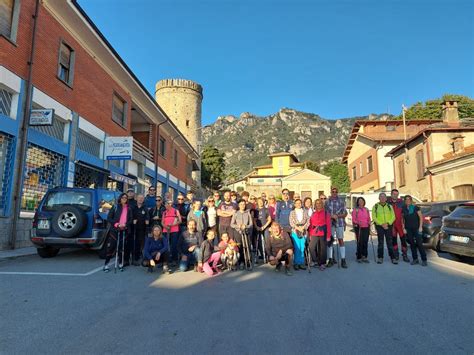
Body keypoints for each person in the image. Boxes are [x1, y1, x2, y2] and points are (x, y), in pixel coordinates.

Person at [103, 193, 133, 272]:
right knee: (112, 247)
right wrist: (117, 224)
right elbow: (109, 218)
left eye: (126, 198)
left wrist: (125, 225)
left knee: (121, 248)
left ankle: (120, 263)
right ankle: (106, 264)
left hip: (124, 230)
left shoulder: (129, 208)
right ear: (120, 198)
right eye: (123, 197)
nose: (124, 199)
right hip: (115, 230)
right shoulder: (115, 206)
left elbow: (130, 219)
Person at [325, 187, 348, 268]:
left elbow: (345, 213)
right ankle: (330, 259)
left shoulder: (341, 201)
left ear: (337, 192)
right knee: (330, 241)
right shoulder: (327, 202)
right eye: (333, 192)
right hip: (330, 223)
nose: (334, 193)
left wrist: (337, 216)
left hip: (339, 223)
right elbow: (325, 213)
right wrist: (331, 216)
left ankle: (343, 259)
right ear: (331, 192)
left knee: (340, 240)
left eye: (336, 192)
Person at [402, 195, 427, 266]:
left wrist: (420, 227)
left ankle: (424, 259)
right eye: (406, 199)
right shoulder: (403, 208)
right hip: (408, 229)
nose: (407, 200)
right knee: (412, 244)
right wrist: (403, 228)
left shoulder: (416, 207)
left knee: (419, 244)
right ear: (405, 201)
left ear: (411, 200)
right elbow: (403, 219)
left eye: (409, 199)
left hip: (416, 228)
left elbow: (421, 217)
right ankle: (415, 259)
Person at [372, 193, 397, 264]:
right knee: (380, 242)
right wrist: (381, 224)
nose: (382, 198)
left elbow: (393, 216)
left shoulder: (389, 206)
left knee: (389, 242)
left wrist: (388, 223)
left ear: (386, 198)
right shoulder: (375, 206)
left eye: (384, 197)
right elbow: (374, 217)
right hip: (379, 226)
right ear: (379, 198)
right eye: (381, 197)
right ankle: (380, 257)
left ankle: (393, 258)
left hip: (388, 226)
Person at [309, 199, 331, 270]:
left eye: (320, 203)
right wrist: (310, 234)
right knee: (311, 247)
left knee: (323, 248)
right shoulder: (313, 214)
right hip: (314, 232)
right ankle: (315, 261)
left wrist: (328, 235)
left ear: (322, 204)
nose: (318, 204)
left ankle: (322, 263)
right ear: (315, 205)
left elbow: (328, 225)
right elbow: (311, 225)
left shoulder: (326, 213)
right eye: (317, 203)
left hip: (323, 232)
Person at [231, 199, 254, 269]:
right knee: (240, 247)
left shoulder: (248, 213)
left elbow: (251, 224)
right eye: (241, 204)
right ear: (238, 205)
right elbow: (232, 224)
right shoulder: (236, 213)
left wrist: (246, 226)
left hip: (246, 232)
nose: (242, 206)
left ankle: (248, 261)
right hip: (238, 232)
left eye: (244, 204)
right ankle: (241, 261)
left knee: (248, 247)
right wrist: (238, 226)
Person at [388, 189, 409, 262]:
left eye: (397, 194)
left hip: (400, 224)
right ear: (391, 194)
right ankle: (396, 254)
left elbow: (406, 214)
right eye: (394, 194)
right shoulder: (388, 202)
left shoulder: (402, 203)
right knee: (394, 240)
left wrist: (405, 226)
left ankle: (405, 254)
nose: (395, 196)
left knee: (403, 240)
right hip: (392, 225)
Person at [289, 198, 310, 270]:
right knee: (297, 247)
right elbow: (291, 222)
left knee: (302, 247)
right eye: (297, 203)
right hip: (295, 231)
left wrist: (304, 227)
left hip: (303, 231)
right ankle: (296, 263)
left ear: (301, 204)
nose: (298, 204)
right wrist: (298, 228)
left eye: (299, 203)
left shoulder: (305, 211)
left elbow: (308, 220)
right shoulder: (292, 212)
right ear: (294, 204)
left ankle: (301, 263)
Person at [130, 194, 149, 266]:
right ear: (136, 199)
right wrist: (132, 220)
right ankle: (133, 258)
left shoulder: (145, 208)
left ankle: (137, 257)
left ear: (143, 199)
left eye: (142, 198)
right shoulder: (133, 207)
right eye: (139, 198)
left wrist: (147, 221)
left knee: (139, 243)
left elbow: (147, 216)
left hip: (142, 228)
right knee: (134, 243)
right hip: (133, 228)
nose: (141, 199)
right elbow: (129, 216)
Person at [352, 197, 371, 263]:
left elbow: (368, 218)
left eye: (362, 201)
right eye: (359, 201)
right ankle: (359, 257)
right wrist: (357, 222)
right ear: (357, 202)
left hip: (366, 227)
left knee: (365, 242)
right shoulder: (355, 210)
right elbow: (353, 219)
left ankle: (364, 256)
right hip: (359, 227)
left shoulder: (366, 209)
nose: (361, 202)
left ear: (364, 202)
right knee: (360, 242)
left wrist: (369, 222)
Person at [253, 197, 272, 262]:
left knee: (267, 242)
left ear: (263, 202)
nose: (260, 203)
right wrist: (257, 227)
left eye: (261, 201)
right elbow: (254, 220)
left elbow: (269, 219)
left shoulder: (266, 210)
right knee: (259, 242)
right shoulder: (256, 210)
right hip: (258, 228)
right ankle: (262, 254)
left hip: (265, 228)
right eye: (259, 201)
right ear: (257, 202)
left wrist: (264, 227)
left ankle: (268, 255)